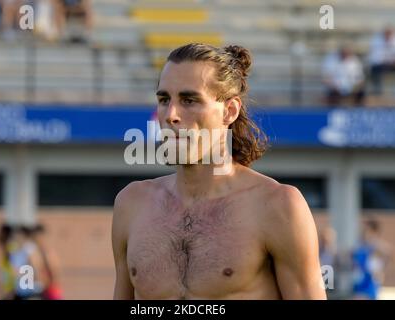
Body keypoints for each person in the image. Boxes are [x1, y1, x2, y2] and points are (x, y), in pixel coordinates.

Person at [112, 43, 327, 300]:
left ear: (230, 111)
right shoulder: (132, 203)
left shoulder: (278, 205)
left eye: (189, 100)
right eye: (164, 99)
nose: (171, 115)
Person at [369, 26, 395, 96]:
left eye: (390, 34)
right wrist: (386, 60)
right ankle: (377, 92)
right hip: (382, 64)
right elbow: (375, 57)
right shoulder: (377, 41)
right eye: (387, 34)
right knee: (374, 69)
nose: (388, 36)